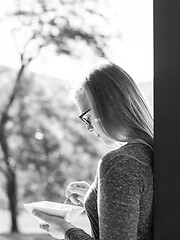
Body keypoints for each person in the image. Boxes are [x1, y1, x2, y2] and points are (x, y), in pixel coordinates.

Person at [32, 60, 154, 240]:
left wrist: (66, 230)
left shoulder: (119, 163)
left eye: (87, 117)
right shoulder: (150, 154)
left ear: (110, 106)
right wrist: (97, 197)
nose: (88, 128)